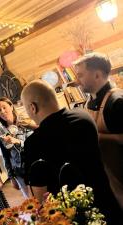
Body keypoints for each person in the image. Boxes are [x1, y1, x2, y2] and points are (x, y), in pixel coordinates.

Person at [20, 80, 122, 224]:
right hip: (108, 206)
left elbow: (39, 197)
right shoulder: (84, 117)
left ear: (32, 107)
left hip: (74, 217)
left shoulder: (33, 143)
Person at [74, 52, 123, 209]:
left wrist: (98, 137)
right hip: (109, 178)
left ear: (97, 75)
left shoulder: (117, 102)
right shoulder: (90, 101)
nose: (76, 80)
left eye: (80, 75)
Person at [0, 97, 34, 198]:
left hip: (33, 166)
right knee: (31, 201)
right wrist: (11, 177)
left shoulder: (24, 122)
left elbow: (33, 144)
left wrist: (17, 141)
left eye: (4, 107)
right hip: (19, 171)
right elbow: (5, 156)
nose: (2, 111)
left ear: (11, 107)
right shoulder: (1, 131)